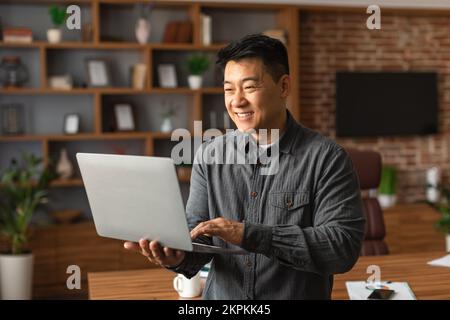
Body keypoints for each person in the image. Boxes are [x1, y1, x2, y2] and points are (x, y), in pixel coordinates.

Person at [124, 34, 366, 299]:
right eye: (229, 89)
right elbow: (198, 238)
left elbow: (341, 250)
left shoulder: (327, 159)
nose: (236, 101)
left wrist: (248, 234)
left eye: (249, 87)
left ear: (284, 86)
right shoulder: (210, 156)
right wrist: (177, 256)